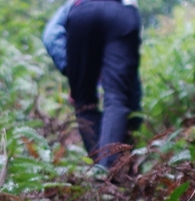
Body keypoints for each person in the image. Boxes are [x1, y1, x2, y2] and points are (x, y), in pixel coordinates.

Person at [43, 0, 142, 169]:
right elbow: (130, 77)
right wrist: (135, 117)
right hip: (122, 14)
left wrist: (75, 72)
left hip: (83, 12)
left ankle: (102, 174)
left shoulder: (72, 5)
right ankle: (111, 174)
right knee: (117, 97)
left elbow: (50, 35)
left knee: (84, 103)